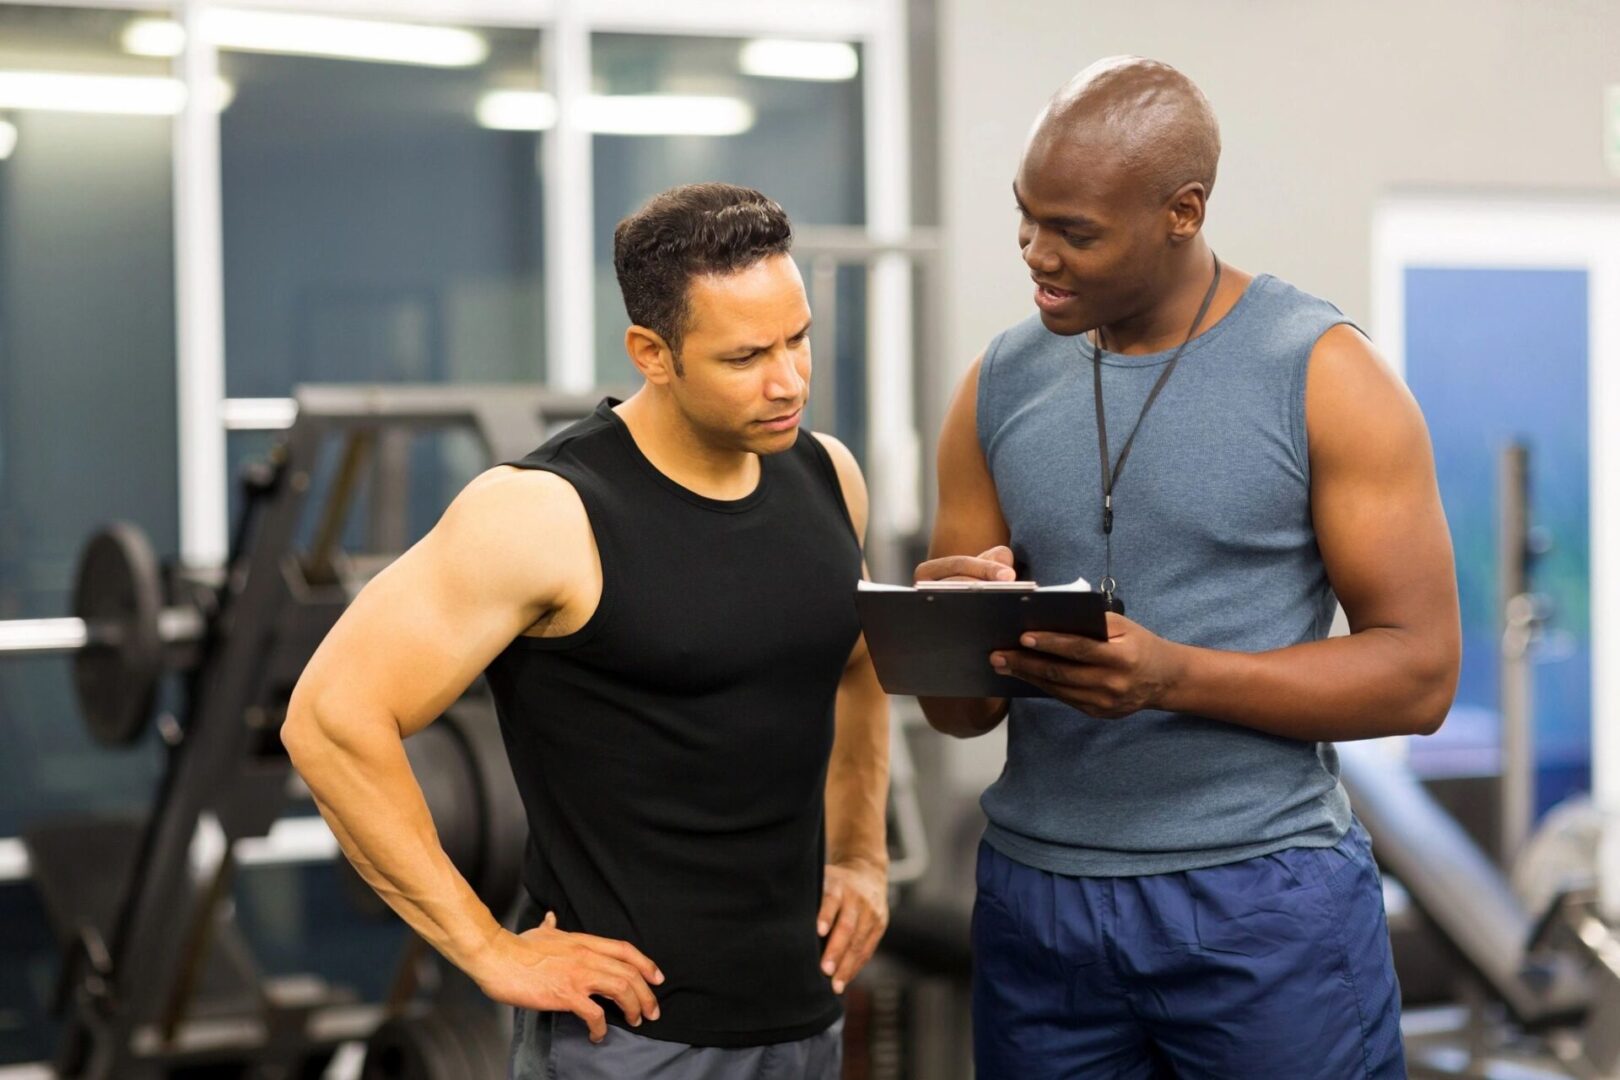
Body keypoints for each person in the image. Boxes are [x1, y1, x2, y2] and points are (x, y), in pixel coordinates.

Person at [916, 56, 1460, 1078]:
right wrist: (955, 627)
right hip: (1040, 902)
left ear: (1182, 212)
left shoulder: (1327, 374)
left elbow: (1420, 675)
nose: (1038, 253)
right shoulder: (995, 384)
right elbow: (961, 715)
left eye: (1075, 231)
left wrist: (1177, 676)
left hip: (1260, 899)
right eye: (1026, 217)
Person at [283, 182, 890, 1079]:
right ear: (653, 353)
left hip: (803, 1017)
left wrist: (862, 855)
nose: (790, 379)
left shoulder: (828, 475)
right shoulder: (545, 513)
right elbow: (332, 719)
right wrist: (488, 948)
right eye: (746, 355)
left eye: (798, 338)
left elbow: (856, 663)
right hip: (631, 1041)